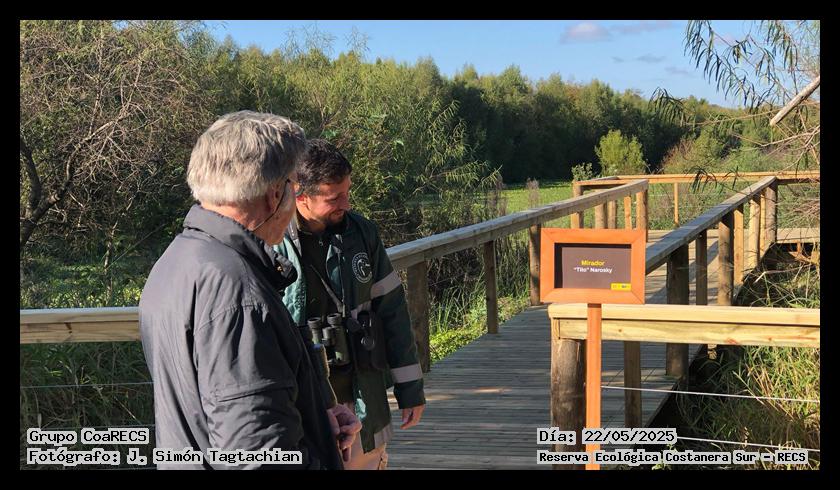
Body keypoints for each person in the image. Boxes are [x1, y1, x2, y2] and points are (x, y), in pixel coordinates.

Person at [139, 112, 360, 470]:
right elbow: (258, 456)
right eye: (293, 185)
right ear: (276, 194)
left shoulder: (178, 260)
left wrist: (313, 420)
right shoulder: (237, 294)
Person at [274, 139, 426, 470]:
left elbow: (393, 312)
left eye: (347, 192)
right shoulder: (272, 241)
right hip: (301, 403)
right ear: (300, 195)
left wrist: (410, 389)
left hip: (362, 399)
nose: (346, 203)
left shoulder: (362, 233)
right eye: (334, 198)